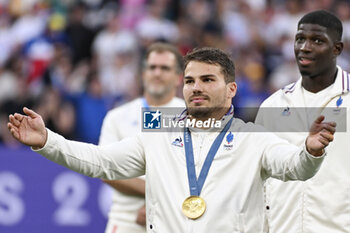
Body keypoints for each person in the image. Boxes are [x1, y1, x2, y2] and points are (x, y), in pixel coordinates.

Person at [8, 47, 336, 233]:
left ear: (231, 89)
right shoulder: (156, 137)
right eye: (191, 80)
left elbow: (295, 168)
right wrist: (47, 140)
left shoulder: (254, 139)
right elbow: (100, 161)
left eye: (208, 79)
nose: (196, 87)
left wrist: (309, 151)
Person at [255, 10, 350, 233]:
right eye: (300, 39)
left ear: (337, 49)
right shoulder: (273, 105)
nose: (305, 47)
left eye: (317, 40)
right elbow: (260, 177)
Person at [99, 42, 185, 233]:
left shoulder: (191, 117)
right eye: (152, 67)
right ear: (143, 74)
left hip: (177, 220)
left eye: (165, 68)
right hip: (127, 220)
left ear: (178, 77)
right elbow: (107, 170)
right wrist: (157, 195)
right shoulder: (118, 116)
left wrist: (160, 204)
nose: (157, 73)